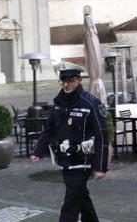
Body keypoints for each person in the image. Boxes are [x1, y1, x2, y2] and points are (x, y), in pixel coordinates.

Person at [30, 62, 109, 222]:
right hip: (65, 159)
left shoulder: (91, 103)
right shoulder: (58, 103)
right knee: (80, 196)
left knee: (71, 200)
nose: (66, 85)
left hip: (83, 161)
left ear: (79, 80)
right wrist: (38, 151)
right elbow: (49, 129)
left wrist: (100, 167)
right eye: (63, 81)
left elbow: (102, 136)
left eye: (71, 81)